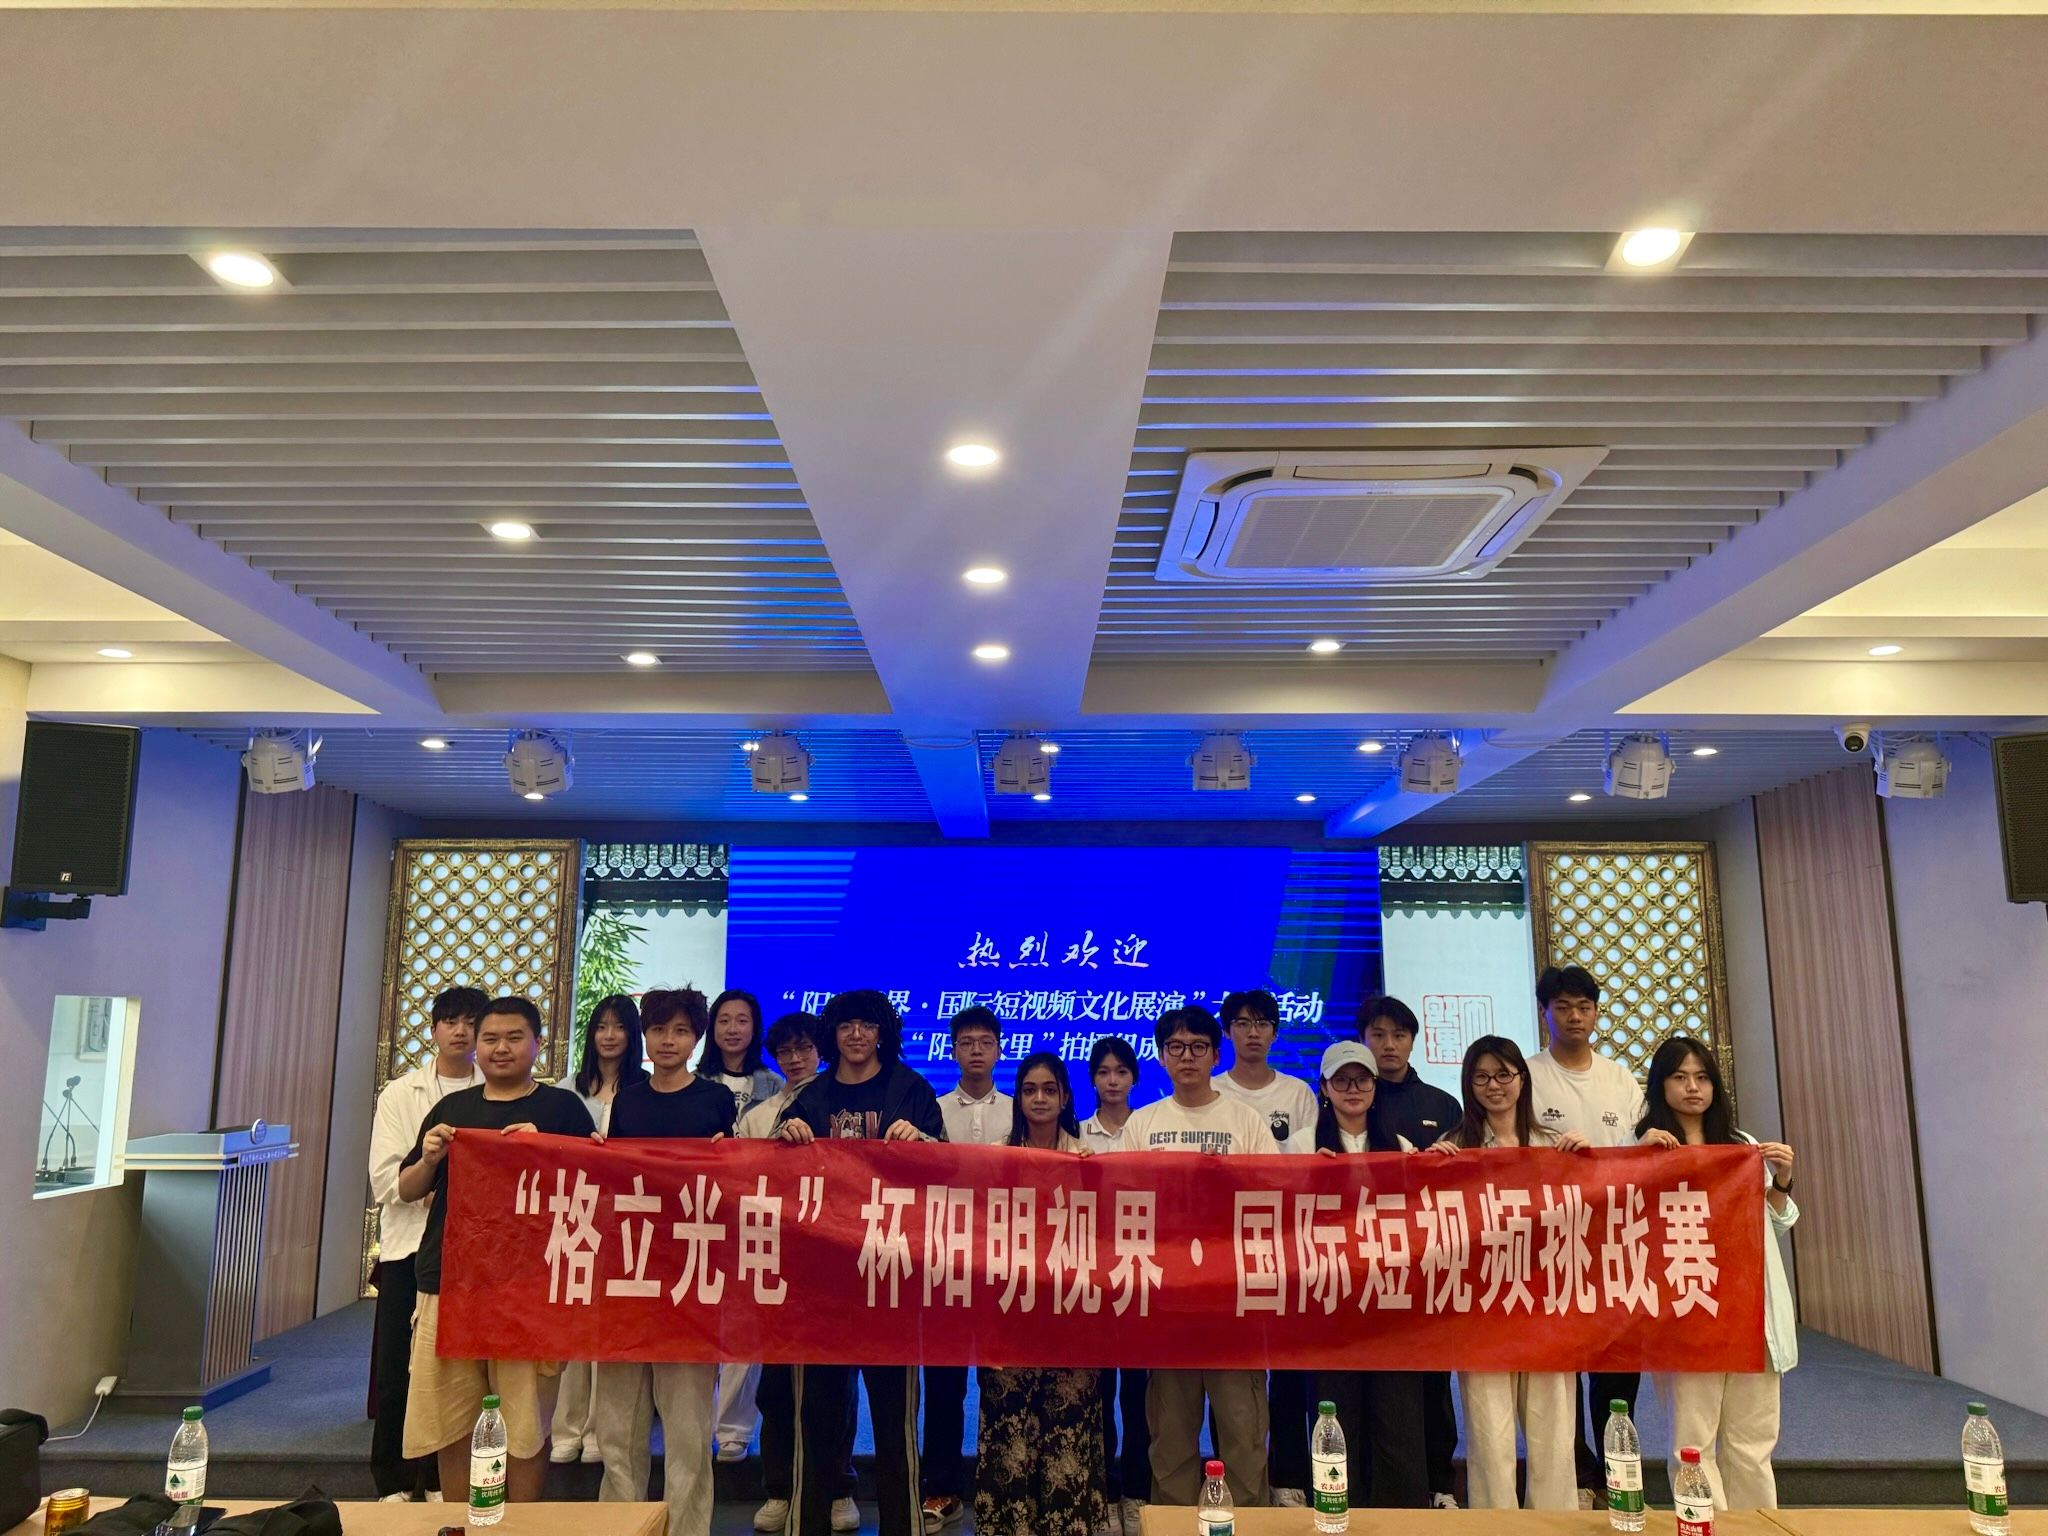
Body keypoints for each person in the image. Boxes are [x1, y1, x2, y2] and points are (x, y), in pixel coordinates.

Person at [396, 996, 595, 1506]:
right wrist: (430, 1157)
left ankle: (519, 1526)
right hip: (449, 1282)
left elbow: (598, 1185)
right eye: (490, 1039)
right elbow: (408, 1188)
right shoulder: (452, 1110)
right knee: (451, 1419)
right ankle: (460, 1524)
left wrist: (549, 1148)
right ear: (477, 1047)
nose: (500, 1048)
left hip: (528, 1288)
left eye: (513, 1038)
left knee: (525, 1424)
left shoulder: (562, 1109)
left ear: (538, 1045)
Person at [777, 990, 947, 1536]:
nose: (856, 1034)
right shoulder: (812, 1095)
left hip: (891, 1281)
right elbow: (774, 1175)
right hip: (822, 1286)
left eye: (867, 1025)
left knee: (896, 1429)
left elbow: (946, 1171)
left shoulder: (911, 1089)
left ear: (882, 1033)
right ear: (833, 1033)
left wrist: (922, 1141)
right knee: (816, 1426)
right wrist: (787, 1137)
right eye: (846, 1025)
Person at [1116, 1006, 1278, 1510]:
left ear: (1215, 1054)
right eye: (1176, 1047)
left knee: (1243, 1436)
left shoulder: (1245, 1121)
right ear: (1162, 1057)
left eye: (1198, 1047)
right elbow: (1122, 1206)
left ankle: (1248, 1524)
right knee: (1170, 1441)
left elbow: (1274, 1198)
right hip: (1170, 1305)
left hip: (1232, 1304)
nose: (1187, 1056)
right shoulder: (1143, 1124)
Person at [591, 987, 736, 1536]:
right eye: (657, 1030)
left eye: (680, 1031)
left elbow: (730, 1184)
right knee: (618, 1423)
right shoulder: (626, 1102)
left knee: (688, 1424)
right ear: (645, 1037)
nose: (667, 1041)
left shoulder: (716, 1099)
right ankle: (622, 1526)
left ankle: (686, 1528)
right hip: (630, 1270)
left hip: (691, 1273)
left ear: (696, 1039)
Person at [1637, 1037, 1799, 1510]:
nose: (1693, 1088)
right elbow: (1624, 1225)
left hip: (1749, 1311)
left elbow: (1775, 1224)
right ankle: (1702, 1525)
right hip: (1688, 1311)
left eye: (1702, 1077)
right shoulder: (1644, 1145)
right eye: (1680, 1077)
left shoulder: (1741, 1146)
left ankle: (1757, 1526)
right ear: (1660, 1084)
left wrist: (1782, 1180)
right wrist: (1637, 1160)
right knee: (1693, 1444)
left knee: (1753, 1442)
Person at [1426, 1034, 1587, 1511]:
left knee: (1553, 1437)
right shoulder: (1455, 1145)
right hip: (1483, 1310)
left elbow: (1591, 1216)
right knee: (1490, 1439)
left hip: (1546, 1307)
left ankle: (1556, 1527)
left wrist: (1588, 1162)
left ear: (1522, 1078)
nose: (1493, 1086)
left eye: (1503, 1074)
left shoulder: (1555, 1144)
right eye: (1481, 1077)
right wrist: (1430, 1171)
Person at [1523, 965, 1650, 1507]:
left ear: (1596, 1013)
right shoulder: (1528, 1076)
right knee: (1560, 1369)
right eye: (1563, 1007)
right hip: (1551, 1244)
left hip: (1616, 1242)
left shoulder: (1620, 1079)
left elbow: (1643, 1155)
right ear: (1545, 1014)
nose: (1575, 1017)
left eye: (1584, 1007)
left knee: (1617, 1367)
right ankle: (1576, 1474)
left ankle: (1617, 1473)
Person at [974, 1052, 1108, 1536]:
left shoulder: (1088, 1157)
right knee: (1009, 1432)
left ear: (1065, 1097)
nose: (1039, 1099)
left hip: (1071, 1317)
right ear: (1018, 1098)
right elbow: (977, 1236)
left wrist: (1097, 1180)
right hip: (1009, 1314)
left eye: (1049, 1090)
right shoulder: (996, 1156)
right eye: (1029, 1090)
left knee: (1066, 1430)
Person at [366, 983, 486, 1502]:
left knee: (458, 1373)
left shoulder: (495, 1090)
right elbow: (385, 1180)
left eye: (472, 1023)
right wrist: (438, 1185)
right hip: (410, 1247)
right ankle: (393, 1480)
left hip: (474, 1252)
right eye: (450, 1021)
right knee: (399, 1369)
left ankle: (442, 1480)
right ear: (434, 1028)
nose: (461, 1032)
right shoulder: (401, 1093)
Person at [742, 1014, 860, 1535]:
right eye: (785, 1051)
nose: (794, 1059)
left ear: (821, 1050)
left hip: (835, 1265)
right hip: (779, 1264)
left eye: (804, 1049)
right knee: (775, 1385)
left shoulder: (844, 1105)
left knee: (836, 1386)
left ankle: (838, 1487)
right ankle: (779, 1488)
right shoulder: (759, 1116)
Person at [1308, 1041, 1430, 1509]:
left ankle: (1398, 1518)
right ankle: (1338, 1512)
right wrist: (1306, 1178)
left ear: (1376, 1087)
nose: (1352, 1088)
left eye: (1362, 1079)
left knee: (1396, 1418)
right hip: (1329, 1305)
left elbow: (1423, 1214)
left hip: (1388, 1303)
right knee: (1336, 1417)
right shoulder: (1300, 1145)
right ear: (1324, 1088)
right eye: (1341, 1080)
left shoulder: (1399, 1146)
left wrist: (1440, 1165)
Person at [1210, 988, 1319, 1506]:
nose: (1252, 1032)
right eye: (1242, 1023)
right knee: (1230, 1369)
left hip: (1286, 1244)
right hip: (1225, 1247)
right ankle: (1227, 1476)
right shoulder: (1210, 1092)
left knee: (1291, 1365)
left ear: (1275, 1031)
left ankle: (1290, 1478)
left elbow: (1311, 1171)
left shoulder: (1299, 1094)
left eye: (1262, 1023)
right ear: (1227, 1031)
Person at [1356, 995, 1462, 1508]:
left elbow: (1467, 1184)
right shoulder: (1346, 1100)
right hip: (1358, 1266)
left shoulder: (1441, 1105)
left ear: (1413, 1041)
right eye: (1378, 1034)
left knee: (1431, 1378)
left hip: (1426, 1264)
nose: (1388, 1045)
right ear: (1363, 1039)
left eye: (1398, 1035)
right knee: (1364, 1382)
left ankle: (1439, 1482)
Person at [922, 1005, 1013, 1531]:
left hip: (1007, 1264)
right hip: (948, 1263)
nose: (976, 1050)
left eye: (985, 1042)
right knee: (944, 1381)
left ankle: (1005, 1482)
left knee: (1004, 1378)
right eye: (966, 1042)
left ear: (999, 1049)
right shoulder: (931, 1111)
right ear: (952, 1050)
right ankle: (941, 1488)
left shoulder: (1020, 1112)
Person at [551, 993, 647, 1468]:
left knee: (609, 1328)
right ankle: (566, 1428)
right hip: (575, 1213)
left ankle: (597, 1430)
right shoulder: (567, 1089)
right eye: (601, 1026)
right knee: (572, 1326)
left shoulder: (645, 1089)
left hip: (627, 1218)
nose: (609, 1036)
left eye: (620, 1027)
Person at [1078, 1037, 1149, 1532]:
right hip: (1091, 1278)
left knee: (1139, 1394)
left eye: (1121, 1072)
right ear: (1092, 1080)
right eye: (1103, 1072)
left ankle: (1138, 1493)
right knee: (1098, 1393)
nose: (1112, 1081)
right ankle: (1102, 1494)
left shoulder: (1148, 1129)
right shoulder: (1076, 1134)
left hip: (1139, 1274)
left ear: (1134, 1078)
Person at [706, 988, 780, 1465]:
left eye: (742, 1020)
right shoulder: (693, 1081)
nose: (733, 1029)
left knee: (746, 1323)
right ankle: (696, 1422)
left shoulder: (776, 1086)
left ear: (755, 1029)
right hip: (701, 1212)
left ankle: (734, 1429)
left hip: (755, 1214)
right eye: (724, 1020)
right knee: (699, 1317)